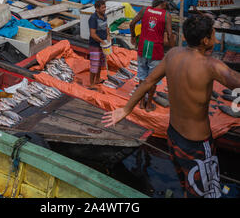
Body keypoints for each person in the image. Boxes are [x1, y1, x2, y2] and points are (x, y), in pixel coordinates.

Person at [102, 14, 240, 198]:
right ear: (205, 39)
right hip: (197, 144)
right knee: (206, 192)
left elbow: (148, 81)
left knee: (186, 185)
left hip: (173, 136)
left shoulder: (174, 54)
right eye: (213, 33)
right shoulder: (211, 65)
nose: (215, 37)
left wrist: (126, 109)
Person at [129, 0, 174, 112]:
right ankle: (148, 105)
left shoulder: (145, 10)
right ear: (164, 3)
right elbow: (170, 35)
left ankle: (141, 103)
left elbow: (132, 23)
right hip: (156, 50)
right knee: (152, 79)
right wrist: (173, 50)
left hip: (142, 47)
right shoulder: (166, 15)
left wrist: (133, 36)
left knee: (142, 77)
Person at [88, 0, 110, 88]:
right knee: (94, 64)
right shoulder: (93, 18)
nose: (104, 9)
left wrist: (108, 36)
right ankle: (91, 83)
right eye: (102, 8)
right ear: (97, 9)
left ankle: (97, 79)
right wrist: (102, 41)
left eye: (105, 7)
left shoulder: (104, 16)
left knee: (100, 62)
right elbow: (92, 34)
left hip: (103, 44)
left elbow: (106, 27)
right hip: (95, 45)